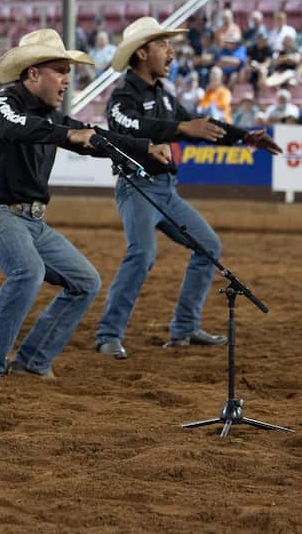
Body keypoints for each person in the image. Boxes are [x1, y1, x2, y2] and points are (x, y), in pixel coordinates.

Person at [0, 30, 163, 392]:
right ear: (33, 74)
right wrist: (67, 135)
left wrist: (144, 146)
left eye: (69, 71)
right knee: (28, 272)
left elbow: (94, 136)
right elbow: (14, 127)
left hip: (32, 220)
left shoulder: (52, 117)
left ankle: (34, 361)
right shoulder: (0, 102)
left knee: (85, 282)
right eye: (60, 70)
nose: (68, 79)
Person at [94, 18, 282, 360]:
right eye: (163, 46)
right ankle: (108, 333)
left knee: (207, 246)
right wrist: (181, 126)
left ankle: (184, 328)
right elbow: (129, 125)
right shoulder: (123, 97)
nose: (171, 52)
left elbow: (199, 126)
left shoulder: (163, 98)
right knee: (143, 254)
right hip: (138, 187)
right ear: (141, 54)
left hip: (163, 188)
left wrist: (244, 136)